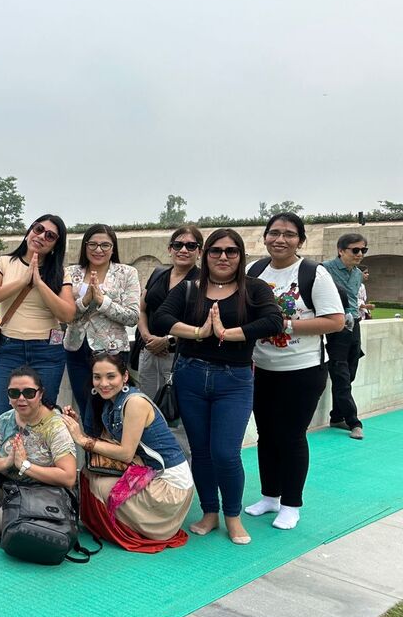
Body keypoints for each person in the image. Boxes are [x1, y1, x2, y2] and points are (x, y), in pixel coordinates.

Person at [154, 228, 282, 545]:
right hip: (191, 376)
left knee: (225, 453)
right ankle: (209, 512)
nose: (223, 257)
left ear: (240, 256)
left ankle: (232, 516)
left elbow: (273, 321)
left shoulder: (254, 289)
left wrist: (228, 333)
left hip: (234, 380)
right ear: (206, 254)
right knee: (201, 452)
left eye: (231, 251)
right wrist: (200, 332)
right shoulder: (190, 289)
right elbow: (161, 318)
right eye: (216, 250)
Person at [245, 213, 345, 531]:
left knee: (291, 436)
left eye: (289, 234)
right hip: (262, 368)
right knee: (266, 435)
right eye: (274, 233)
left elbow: (335, 321)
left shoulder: (313, 273)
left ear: (300, 240)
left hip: (302, 370)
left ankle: (291, 504)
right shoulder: (254, 271)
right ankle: (270, 496)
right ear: (264, 237)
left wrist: (284, 324)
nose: (280, 239)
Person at [62, 353, 193, 551]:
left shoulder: (134, 403)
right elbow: (108, 444)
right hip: (149, 470)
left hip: (170, 486)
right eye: (97, 377)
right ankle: (110, 526)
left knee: (101, 485)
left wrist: (81, 439)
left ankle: (129, 530)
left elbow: (125, 453)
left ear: (124, 376)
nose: (103, 383)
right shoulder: (111, 401)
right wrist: (77, 423)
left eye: (110, 376)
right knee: (90, 472)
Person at [0, 365, 77, 554]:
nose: (21, 398)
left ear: (40, 394)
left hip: (42, 496)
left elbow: (68, 477)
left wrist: (25, 466)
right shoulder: (5, 420)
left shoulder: (55, 426)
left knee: (2, 520)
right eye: (14, 393)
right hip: (9, 488)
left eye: (29, 393)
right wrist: (7, 462)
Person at [0, 214, 76, 422]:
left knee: (43, 416)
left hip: (47, 351)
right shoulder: (5, 262)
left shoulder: (60, 273)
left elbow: (67, 314)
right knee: (3, 415)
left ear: (56, 245)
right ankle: (7, 446)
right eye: (38, 229)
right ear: (30, 230)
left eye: (50, 236)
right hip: (10, 347)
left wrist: (40, 284)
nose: (41, 236)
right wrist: (23, 281)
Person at [64, 224, 141, 428]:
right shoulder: (70, 273)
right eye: (93, 244)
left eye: (105, 245)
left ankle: (109, 447)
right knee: (85, 406)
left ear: (113, 248)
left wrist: (102, 301)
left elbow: (133, 316)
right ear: (85, 246)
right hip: (77, 348)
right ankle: (91, 446)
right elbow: (64, 314)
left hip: (111, 351)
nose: (98, 250)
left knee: (108, 408)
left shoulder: (127, 273)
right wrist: (85, 301)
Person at [136, 226, 203, 399]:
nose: (183, 250)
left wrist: (168, 340)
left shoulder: (202, 283)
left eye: (191, 246)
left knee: (176, 406)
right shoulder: (158, 274)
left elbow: (203, 324)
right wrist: (147, 337)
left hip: (180, 356)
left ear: (200, 252)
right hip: (149, 350)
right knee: (147, 404)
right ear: (169, 249)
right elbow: (142, 309)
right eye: (178, 245)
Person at [322, 233, 368, 440]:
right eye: (355, 250)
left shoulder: (357, 274)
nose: (360, 254)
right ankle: (354, 422)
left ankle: (336, 416)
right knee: (340, 373)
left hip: (354, 325)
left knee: (350, 373)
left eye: (363, 250)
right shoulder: (324, 269)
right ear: (341, 251)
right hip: (335, 327)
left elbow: (353, 299)